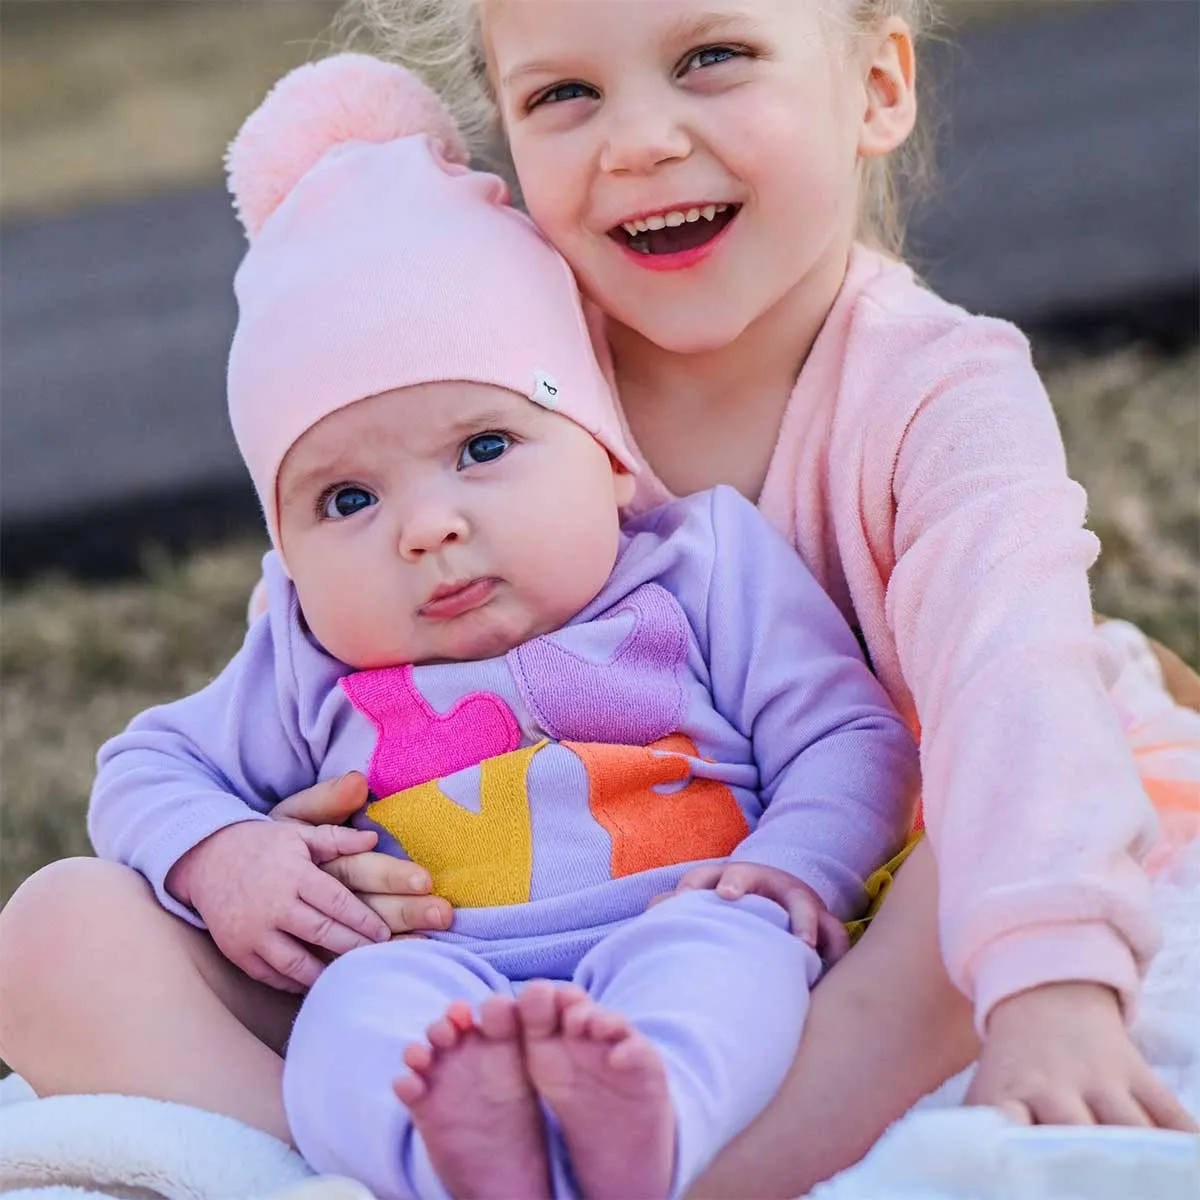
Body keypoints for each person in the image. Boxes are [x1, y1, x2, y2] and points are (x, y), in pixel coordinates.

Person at [0, 1, 1195, 1194]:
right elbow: (279, 688)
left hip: (817, 892)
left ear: (877, 85)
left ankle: (692, 1171)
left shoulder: (937, 391)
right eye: (564, 95)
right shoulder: (442, 360)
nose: (638, 141)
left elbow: (1013, 692)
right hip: (447, 946)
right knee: (58, 932)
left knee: (967, 870)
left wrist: (1055, 998)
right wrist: (250, 859)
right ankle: (405, 1159)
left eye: (712, 57)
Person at [83, 54, 919, 1200]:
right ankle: (445, 1156)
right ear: (285, 549)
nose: (427, 527)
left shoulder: (703, 565)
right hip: (438, 969)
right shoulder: (303, 650)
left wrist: (793, 868)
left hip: (684, 911)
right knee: (353, 1026)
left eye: (483, 449)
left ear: (606, 452)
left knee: (728, 972)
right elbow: (147, 765)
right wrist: (227, 858)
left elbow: (849, 735)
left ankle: (650, 1118)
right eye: (347, 501)